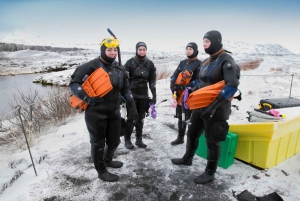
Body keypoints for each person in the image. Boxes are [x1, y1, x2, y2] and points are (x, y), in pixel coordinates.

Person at [171, 30, 240, 184]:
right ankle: (187, 158)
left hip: (218, 108)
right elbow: (201, 82)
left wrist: (214, 107)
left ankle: (210, 172)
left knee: (212, 141)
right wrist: (190, 91)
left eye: (207, 41)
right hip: (201, 105)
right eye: (203, 42)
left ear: (216, 41)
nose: (204, 45)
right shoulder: (208, 61)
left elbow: (232, 85)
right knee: (192, 132)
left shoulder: (226, 61)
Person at [69, 38, 138, 182]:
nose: (113, 53)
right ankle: (101, 171)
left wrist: (132, 106)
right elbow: (74, 84)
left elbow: (125, 89)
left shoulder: (119, 68)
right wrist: (87, 98)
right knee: (98, 144)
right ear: (103, 50)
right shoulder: (91, 66)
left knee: (114, 141)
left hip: (114, 111)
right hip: (95, 112)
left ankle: (107, 160)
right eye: (109, 50)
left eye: (115, 50)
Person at [123, 42, 157, 149]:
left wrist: (154, 95)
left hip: (143, 95)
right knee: (131, 117)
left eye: (144, 49)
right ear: (136, 50)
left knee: (141, 117)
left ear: (146, 50)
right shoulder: (129, 63)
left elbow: (152, 82)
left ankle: (139, 139)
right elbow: (124, 81)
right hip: (131, 95)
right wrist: (123, 95)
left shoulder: (150, 64)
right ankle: (127, 139)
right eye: (140, 49)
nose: (142, 51)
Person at [170, 42, 202, 145]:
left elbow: (198, 80)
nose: (188, 51)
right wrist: (173, 85)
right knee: (180, 116)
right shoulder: (182, 63)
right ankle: (180, 137)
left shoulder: (199, 64)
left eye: (190, 49)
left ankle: (191, 140)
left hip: (191, 95)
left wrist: (185, 87)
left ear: (195, 51)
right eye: (187, 49)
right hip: (180, 95)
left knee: (190, 118)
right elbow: (175, 75)